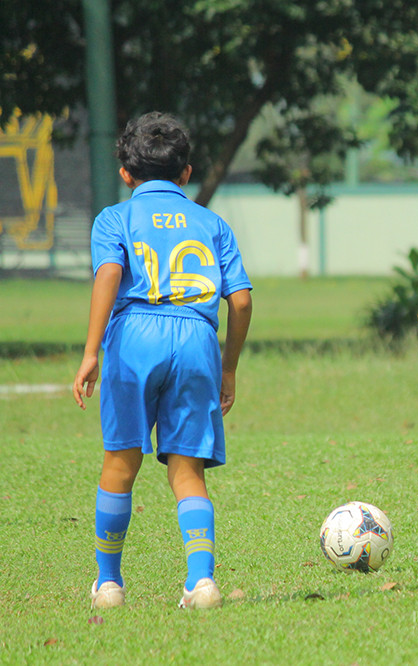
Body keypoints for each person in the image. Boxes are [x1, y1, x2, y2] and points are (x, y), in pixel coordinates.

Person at [73, 112, 253, 609]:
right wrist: (229, 366)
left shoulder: (114, 218)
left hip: (133, 337)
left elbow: (109, 276)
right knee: (187, 468)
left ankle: (108, 584)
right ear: (187, 174)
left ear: (126, 175)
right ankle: (201, 582)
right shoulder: (212, 223)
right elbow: (239, 301)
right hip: (196, 336)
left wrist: (92, 353)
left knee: (121, 462)